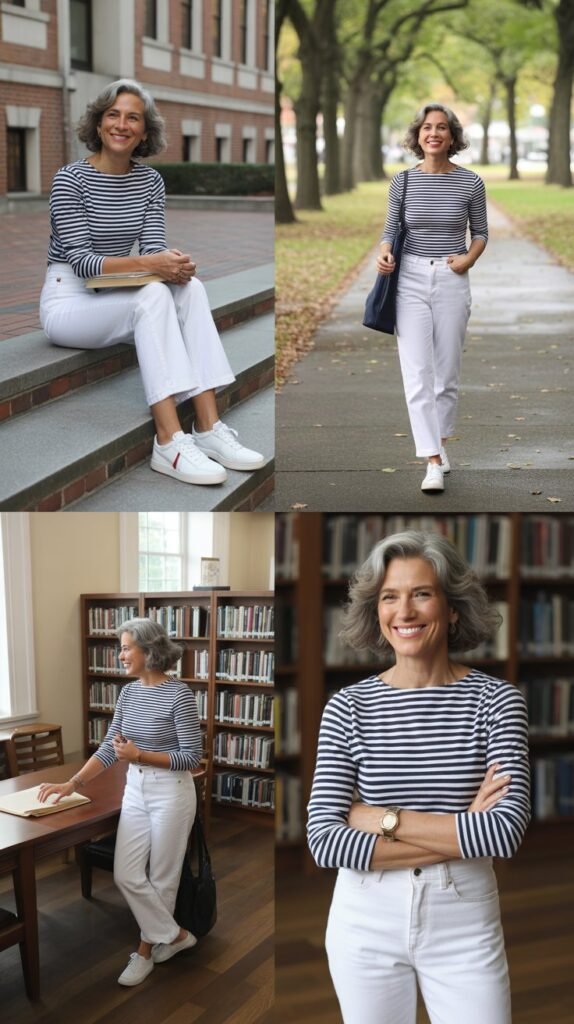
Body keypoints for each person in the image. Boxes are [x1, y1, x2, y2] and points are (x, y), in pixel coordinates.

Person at [307, 530, 530, 1024]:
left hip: (464, 919)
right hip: (364, 918)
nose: (404, 612)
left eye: (422, 593)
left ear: (452, 609)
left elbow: (505, 831)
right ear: (376, 611)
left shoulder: (497, 701)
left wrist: (378, 818)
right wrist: (463, 829)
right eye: (390, 596)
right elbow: (324, 841)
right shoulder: (348, 707)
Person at [39, 78, 264, 488]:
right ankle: (168, 439)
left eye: (133, 118)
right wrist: (151, 264)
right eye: (113, 115)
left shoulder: (149, 182)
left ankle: (209, 427)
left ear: (145, 131)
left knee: (189, 288)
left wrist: (173, 265)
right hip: (68, 300)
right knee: (155, 294)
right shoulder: (69, 179)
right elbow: (84, 263)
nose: (121, 124)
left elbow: (155, 250)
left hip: (119, 293)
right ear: (98, 123)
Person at [38, 617, 203, 987]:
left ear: (150, 650)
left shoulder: (180, 695)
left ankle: (145, 952)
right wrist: (73, 783)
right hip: (136, 788)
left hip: (172, 793)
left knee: (163, 878)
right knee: (126, 873)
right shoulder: (128, 694)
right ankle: (176, 936)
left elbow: (193, 757)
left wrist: (141, 755)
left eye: (127, 647)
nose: (120, 655)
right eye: (121, 648)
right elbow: (111, 749)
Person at [378, 104, 488, 493]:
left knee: (447, 374)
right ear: (418, 135)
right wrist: (385, 252)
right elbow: (390, 229)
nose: (434, 133)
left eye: (442, 128)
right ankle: (432, 460)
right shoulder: (402, 182)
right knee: (417, 374)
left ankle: (440, 444)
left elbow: (481, 233)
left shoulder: (471, 183)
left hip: (452, 278)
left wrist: (469, 258)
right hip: (409, 278)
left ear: (452, 137)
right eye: (428, 127)